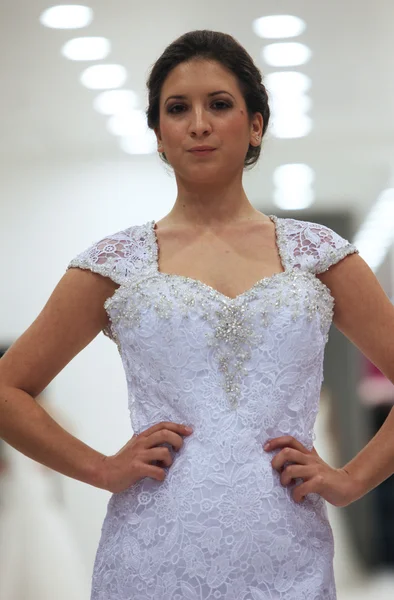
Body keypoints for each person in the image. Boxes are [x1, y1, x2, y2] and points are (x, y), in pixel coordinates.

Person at [0, 29, 394, 600]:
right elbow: (9, 389)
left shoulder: (319, 254)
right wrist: (102, 469)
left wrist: (353, 478)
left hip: (286, 550)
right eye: (177, 109)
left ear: (255, 124)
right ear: (158, 134)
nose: (199, 124)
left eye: (220, 104)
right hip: (151, 551)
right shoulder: (115, 262)